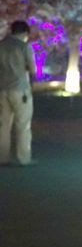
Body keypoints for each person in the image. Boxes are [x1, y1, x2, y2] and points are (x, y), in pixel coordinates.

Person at [0, 20, 36, 166]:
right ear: (25, 33)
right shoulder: (24, 46)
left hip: (2, 90)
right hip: (21, 89)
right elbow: (32, 69)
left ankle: (2, 157)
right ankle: (24, 158)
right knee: (23, 125)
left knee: (3, 126)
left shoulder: (1, 45)